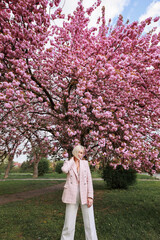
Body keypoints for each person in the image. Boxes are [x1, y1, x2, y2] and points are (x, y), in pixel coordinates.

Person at [60, 144, 98, 240]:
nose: (81, 155)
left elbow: (89, 180)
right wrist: (72, 160)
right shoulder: (68, 163)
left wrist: (90, 196)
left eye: (82, 153)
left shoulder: (85, 164)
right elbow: (64, 170)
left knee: (89, 221)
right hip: (71, 194)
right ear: (75, 152)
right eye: (79, 152)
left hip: (85, 194)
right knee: (69, 222)